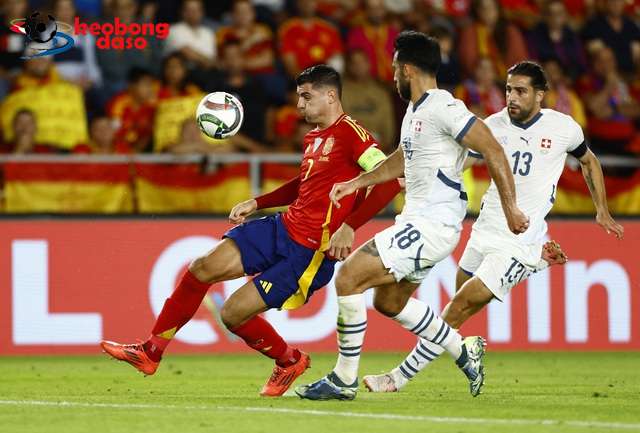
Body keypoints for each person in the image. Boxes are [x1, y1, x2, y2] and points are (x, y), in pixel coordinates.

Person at [100, 65, 402, 397]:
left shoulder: (353, 134)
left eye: (306, 96)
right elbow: (304, 185)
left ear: (331, 95)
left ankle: (289, 361)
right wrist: (258, 202)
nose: (298, 105)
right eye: (297, 96)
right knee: (202, 268)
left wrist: (349, 226)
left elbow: (391, 178)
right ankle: (150, 352)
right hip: (282, 227)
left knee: (232, 314)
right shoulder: (315, 136)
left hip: (309, 252)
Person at [362, 61, 625, 393]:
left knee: (456, 309)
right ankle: (537, 264)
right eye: (508, 89)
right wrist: (418, 176)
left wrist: (601, 210)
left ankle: (397, 378)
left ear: (540, 94)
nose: (511, 97)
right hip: (485, 229)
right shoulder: (493, 125)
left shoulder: (564, 128)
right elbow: (461, 162)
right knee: (460, 297)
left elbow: (588, 160)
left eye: (521, 91)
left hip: (520, 236)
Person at [295, 31, 529, 401]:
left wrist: (511, 207)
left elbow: (493, 149)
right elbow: (401, 162)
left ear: (407, 69)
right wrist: (357, 182)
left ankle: (343, 380)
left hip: (432, 222)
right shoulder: (415, 112)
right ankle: (461, 347)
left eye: (393, 70)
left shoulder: (444, 107)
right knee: (389, 303)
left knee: (350, 278)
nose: (391, 77)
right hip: (418, 221)